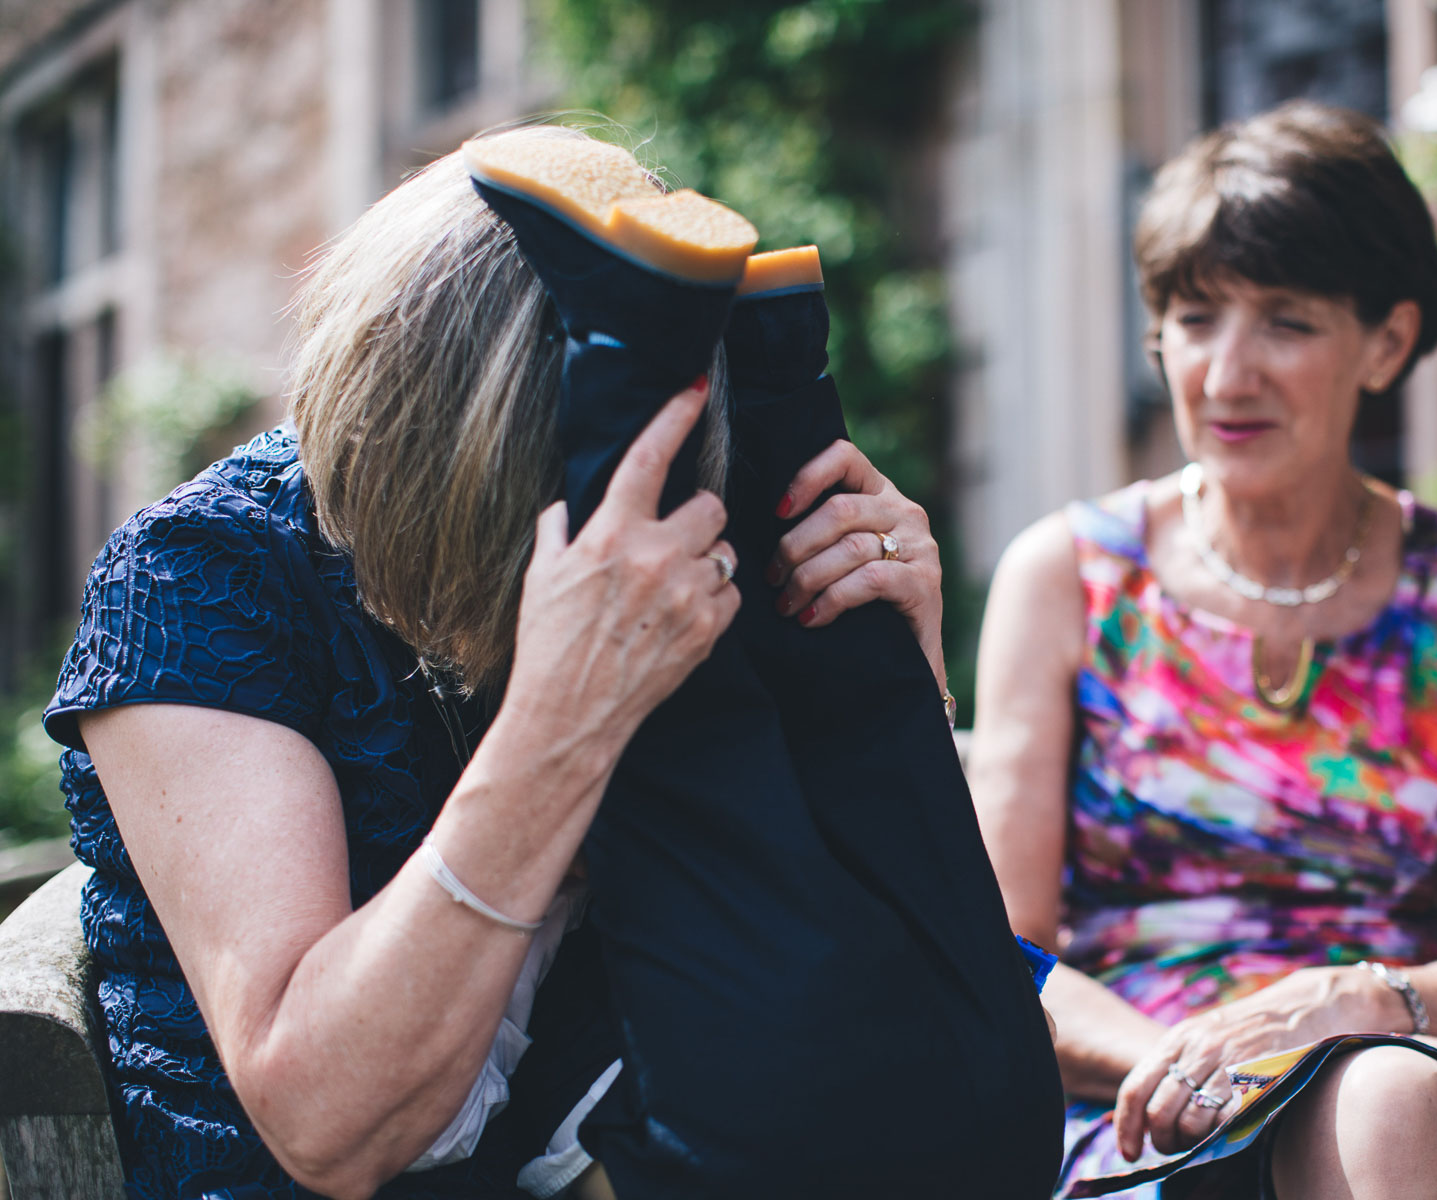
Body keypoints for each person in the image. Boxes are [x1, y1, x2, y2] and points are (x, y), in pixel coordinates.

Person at [45, 125, 1060, 1200]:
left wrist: (888, 673)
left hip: (605, 1134)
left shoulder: (657, 509)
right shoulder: (200, 575)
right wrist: (560, 717)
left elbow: (875, 980)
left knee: (937, 1109)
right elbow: (323, 1127)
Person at [968, 101, 1437, 1198]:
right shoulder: (1066, 578)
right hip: (1132, 1101)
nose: (1228, 373)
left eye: (1287, 323)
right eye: (1197, 319)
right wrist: (1199, 1062)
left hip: (1394, 1085)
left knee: (1390, 1100)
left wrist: (1357, 1004)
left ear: (1387, 342)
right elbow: (997, 954)